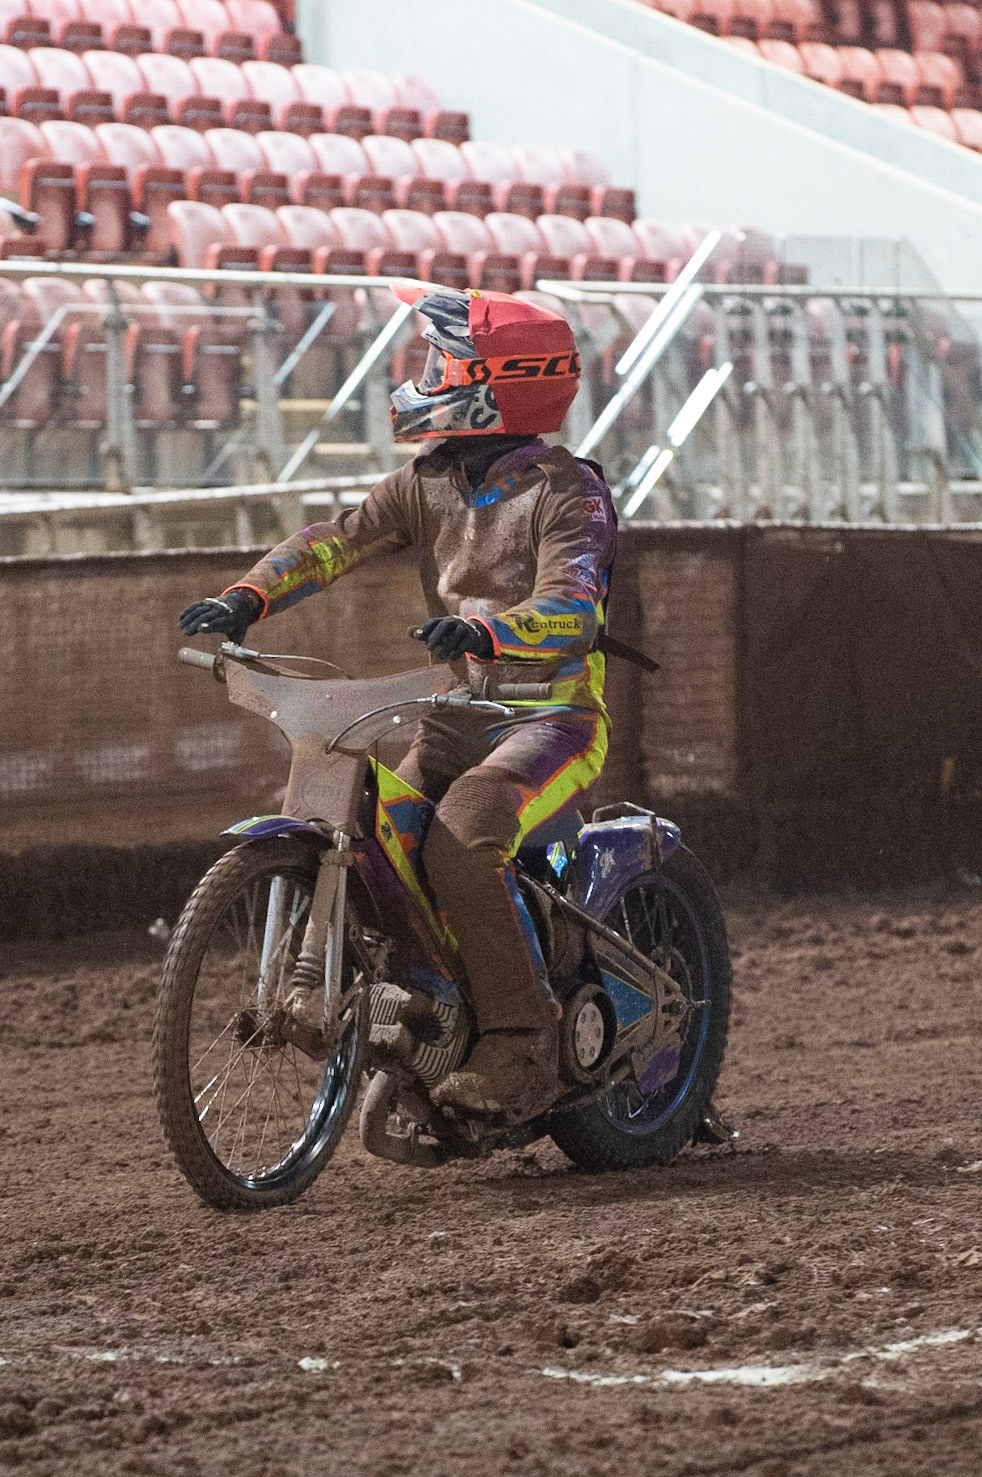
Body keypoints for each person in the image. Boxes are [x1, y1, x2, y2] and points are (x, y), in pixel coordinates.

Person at [180, 285, 617, 1124]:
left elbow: (575, 606)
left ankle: (523, 1041)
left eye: (441, 362)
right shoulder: (430, 481)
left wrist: (488, 633)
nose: (426, 376)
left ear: (496, 383)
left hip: (552, 721)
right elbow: (335, 541)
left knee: (462, 839)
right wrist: (247, 597)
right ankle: (427, 1015)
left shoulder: (569, 491)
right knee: (380, 839)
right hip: (455, 719)